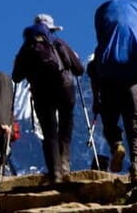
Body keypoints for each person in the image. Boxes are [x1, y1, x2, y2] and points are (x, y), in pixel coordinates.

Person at [88, 0, 137, 184]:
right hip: (132, 87)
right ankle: (136, 168)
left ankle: (116, 145)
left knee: (110, 125)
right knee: (136, 130)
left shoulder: (105, 47)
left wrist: (96, 100)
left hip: (108, 86)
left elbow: (93, 73)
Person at [12, 14, 84, 183]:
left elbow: (16, 77)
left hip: (41, 92)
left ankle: (55, 173)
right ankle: (65, 164)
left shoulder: (27, 47)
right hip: (64, 88)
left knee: (49, 132)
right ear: (51, 30)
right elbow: (79, 69)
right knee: (65, 124)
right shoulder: (59, 43)